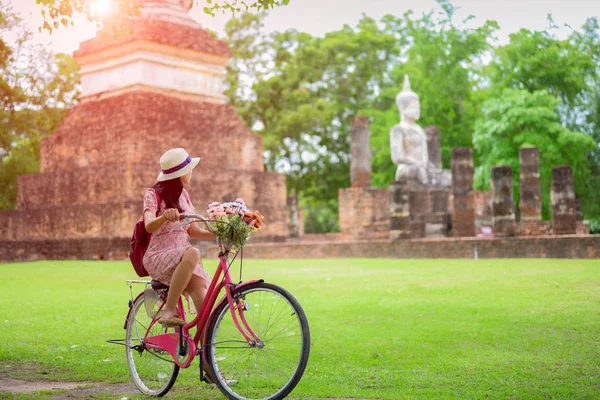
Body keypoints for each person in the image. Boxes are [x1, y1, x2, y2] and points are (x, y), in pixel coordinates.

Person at [143, 148, 215, 327]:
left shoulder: (184, 196)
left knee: (204, 306)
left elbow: (194, 232)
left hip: (183, 256)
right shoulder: (153, 194)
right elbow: (148, 224)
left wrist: (221, 234)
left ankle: (205, 352)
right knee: (193, 252)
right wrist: (164, 217)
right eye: (189, 168)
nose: (192, 171)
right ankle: (169, 309)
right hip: (160, 253)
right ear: (180, 173)